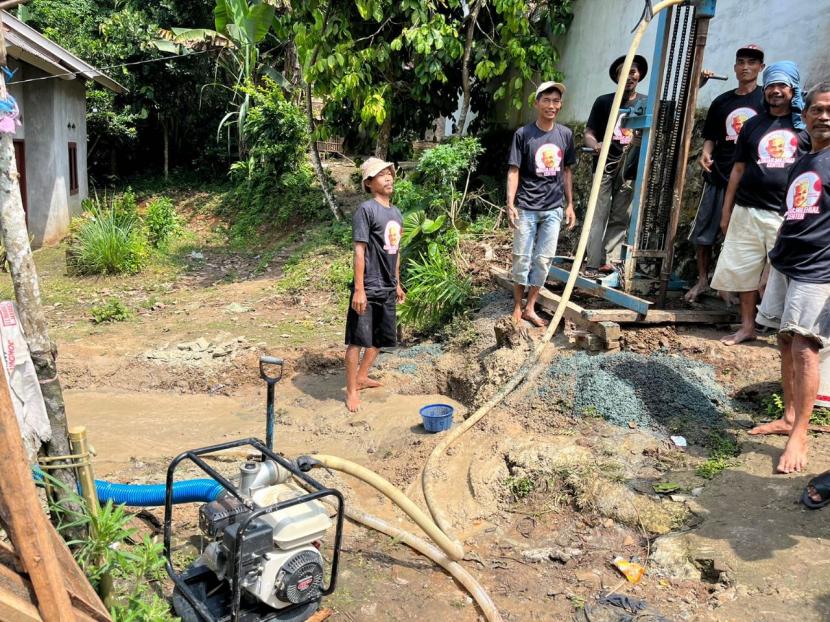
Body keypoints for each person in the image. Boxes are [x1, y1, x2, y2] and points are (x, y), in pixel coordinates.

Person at [746, 83, 830, 480]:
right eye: (817, 110)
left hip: (819, 267)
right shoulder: (804, 159)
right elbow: (793, 215)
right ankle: (788, 415)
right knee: (782, 338)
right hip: (786, 263)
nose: (824, 116)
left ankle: (800, 435)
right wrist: (771, 264)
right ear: (806, 115)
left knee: (804, 345)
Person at [709, 61, 809, 345]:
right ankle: (747, 326)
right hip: (747, 208)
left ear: (793, 89)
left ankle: (788, 333)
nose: (776, 91)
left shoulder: (804, 126)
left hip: (787, 213)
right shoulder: (753, 124)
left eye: (783, 85)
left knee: (786, 274)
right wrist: (727, 212)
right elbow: (738, 169)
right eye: (772, 85)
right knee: (745, 271)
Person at [685, 44, 766, 302]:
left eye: (752, 63)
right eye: (741, 62)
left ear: (761, 68)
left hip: (749, 180)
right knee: (705, 232)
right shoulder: (722, 101)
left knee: (739, 237)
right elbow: (710, 137)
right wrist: (705, 153)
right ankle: (702, 281)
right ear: (734, 68)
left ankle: (729, 285)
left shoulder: (766, 100)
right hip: (719, 174)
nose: (746, 67)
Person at [507, 81, 577, 327]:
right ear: (537, 103)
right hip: (526, 206)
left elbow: (566, 171)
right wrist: (510, 203)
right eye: (546, 100)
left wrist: (569, 205)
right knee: (521, 257)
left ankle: (530, 307)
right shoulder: (523, 135)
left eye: (556, 101)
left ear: (560, 105)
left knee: (544, 259)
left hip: (553, 209)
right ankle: (516, 305)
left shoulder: (565, 135)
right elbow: (513, 171)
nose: (551, 105)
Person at [344, 158, 405, 412]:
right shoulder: (365, 210)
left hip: (388, 286)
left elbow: (396, 251)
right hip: (368, 285)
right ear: (369, 183)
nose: (388, 178)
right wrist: (359, 289)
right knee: (357, 340)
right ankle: (351, 390)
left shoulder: (396, 213)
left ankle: (362, 376)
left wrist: (398, 283)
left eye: (389, 173)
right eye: (381, 175)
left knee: (380, 338)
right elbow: (360, 251)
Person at [583, 54, 649, 275]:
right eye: (624, 71)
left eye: (633, 71)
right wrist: (596, 145)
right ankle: (592, 262)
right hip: (604, 165)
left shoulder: (645, 103)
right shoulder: (604, 101)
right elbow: (589, 133)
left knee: (622, 215)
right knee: (598, 212)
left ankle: (609, 261)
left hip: (630, 169)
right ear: (616, 76)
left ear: (639, 75)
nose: (629, 76)